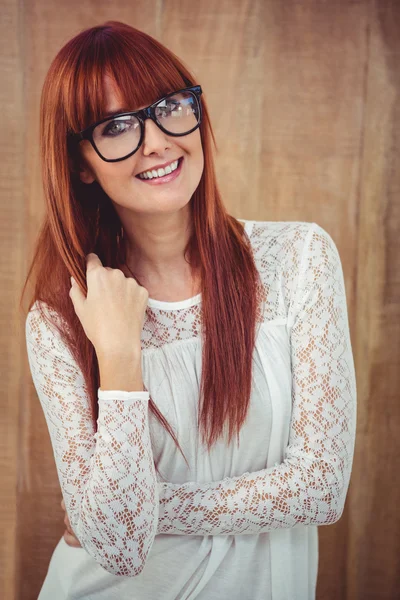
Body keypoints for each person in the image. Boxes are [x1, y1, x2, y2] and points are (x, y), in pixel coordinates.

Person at [23, 20, 357, 600]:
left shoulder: (299, 259)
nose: (155, 142)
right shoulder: (59, 321)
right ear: (81, 163)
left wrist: (140, 508)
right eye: (116, 127)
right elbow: (120, 553)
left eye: (170, 107)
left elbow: (320, 489)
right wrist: (121, 359)